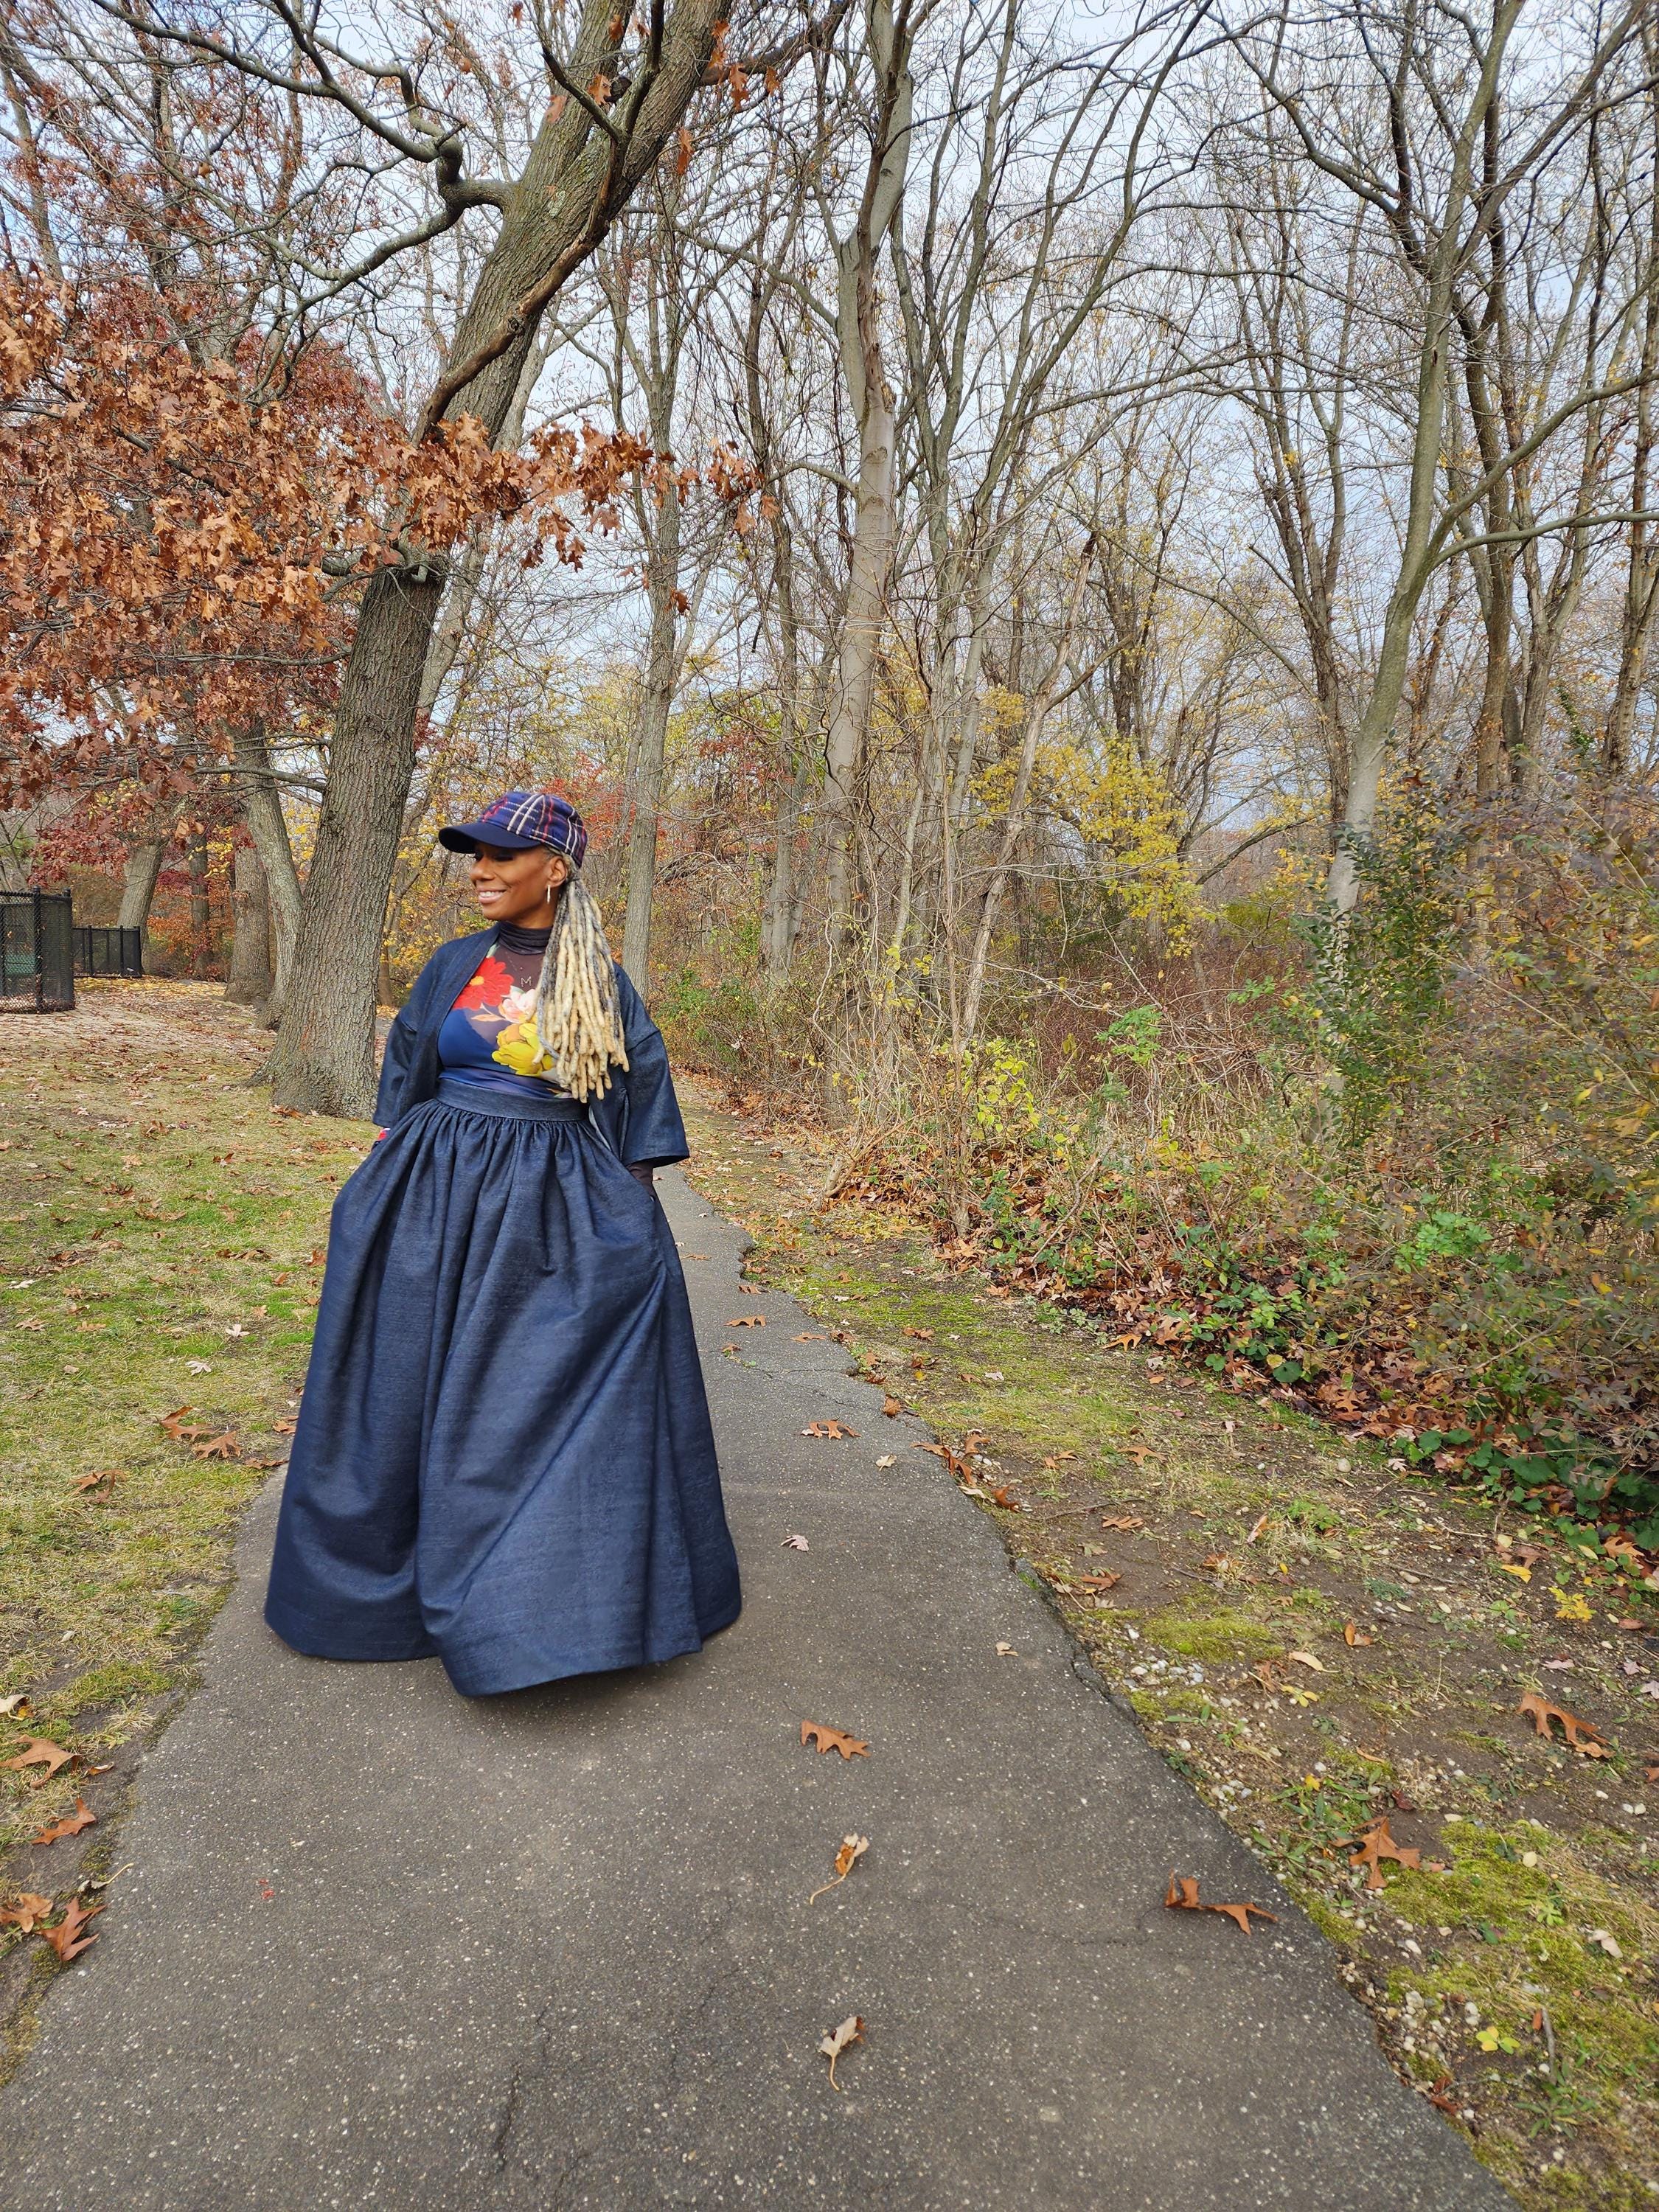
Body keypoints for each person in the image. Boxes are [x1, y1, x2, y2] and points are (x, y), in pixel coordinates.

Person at [264, 790, 741, 1697]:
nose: (478, 868)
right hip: (431, 1196)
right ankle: (379, 1593)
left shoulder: (595, 980)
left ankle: (528, 1606)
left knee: (520, 1399)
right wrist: (372, 1189)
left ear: (553, 869)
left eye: (500, 854)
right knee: (407, 1383)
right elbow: (407, 1076)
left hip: (548, 1209)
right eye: (471, 853)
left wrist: (638, 1223)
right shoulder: (452, 965)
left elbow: (638, 1098)